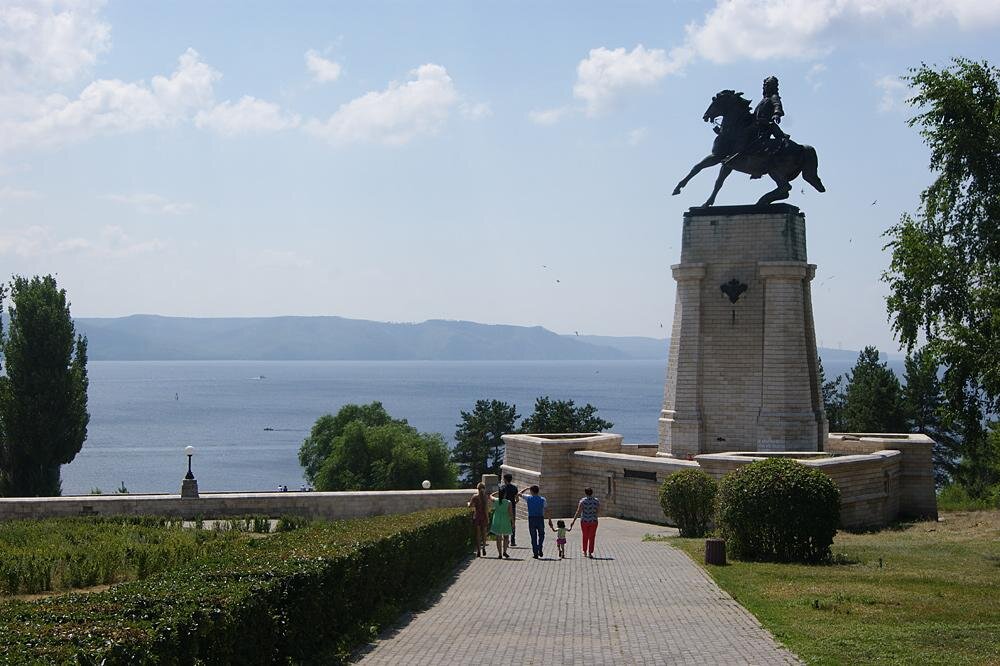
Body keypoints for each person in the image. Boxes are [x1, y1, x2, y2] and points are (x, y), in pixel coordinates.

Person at [519, 484, 548, 558]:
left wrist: (526, 488)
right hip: (540, 518)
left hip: (531, 518)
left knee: (533, 536)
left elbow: (519, 494)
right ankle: (540, 547)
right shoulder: (543, 499)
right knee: (541, 534)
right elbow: (546, 510)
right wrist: (550, 520)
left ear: (531, 491)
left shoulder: (528, 498)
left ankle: (535, 553)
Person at [570, 487, 601, 558]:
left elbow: (578, 511)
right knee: (592, 537)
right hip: (593, 521)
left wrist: (573, 521)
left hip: (584, 521)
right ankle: (590, 552)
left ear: (585, 493)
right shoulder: (596, 501)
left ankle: (584, 551)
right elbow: (598, 510)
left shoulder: (582, 501)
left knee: (585, 536)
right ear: (592, 492)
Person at [489, 490, 514, 558]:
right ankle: (504, 551)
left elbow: (490, 496)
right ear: (505, 495)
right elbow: (511, 514)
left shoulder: (496, 500)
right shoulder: (508, 502)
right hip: (505, 519)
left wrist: (496, 492)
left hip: (497, 519)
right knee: (506, 537)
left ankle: (499, 554)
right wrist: (513, 523)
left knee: (498, 538)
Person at [468, 482, 490, 557]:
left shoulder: (475, 497)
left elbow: (470, 506)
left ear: (477, 488)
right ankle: (484, 547)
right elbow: (486, 509)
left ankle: (478, 551)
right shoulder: (485, 497)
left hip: (477, 516)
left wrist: (468, 504)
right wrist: (488, 518)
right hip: (484, 516)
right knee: (484, 533)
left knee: (478, 534)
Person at [498, 473, 519, 546]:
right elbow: (517, 499)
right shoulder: (514, 488)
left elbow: (500, 500)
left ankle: (506, 540)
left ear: (505, 479)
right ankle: (513, 541)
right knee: (512, 523)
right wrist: (513, 504)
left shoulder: (502, 488)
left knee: (505, 523)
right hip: (512, 507)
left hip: (504, 508)